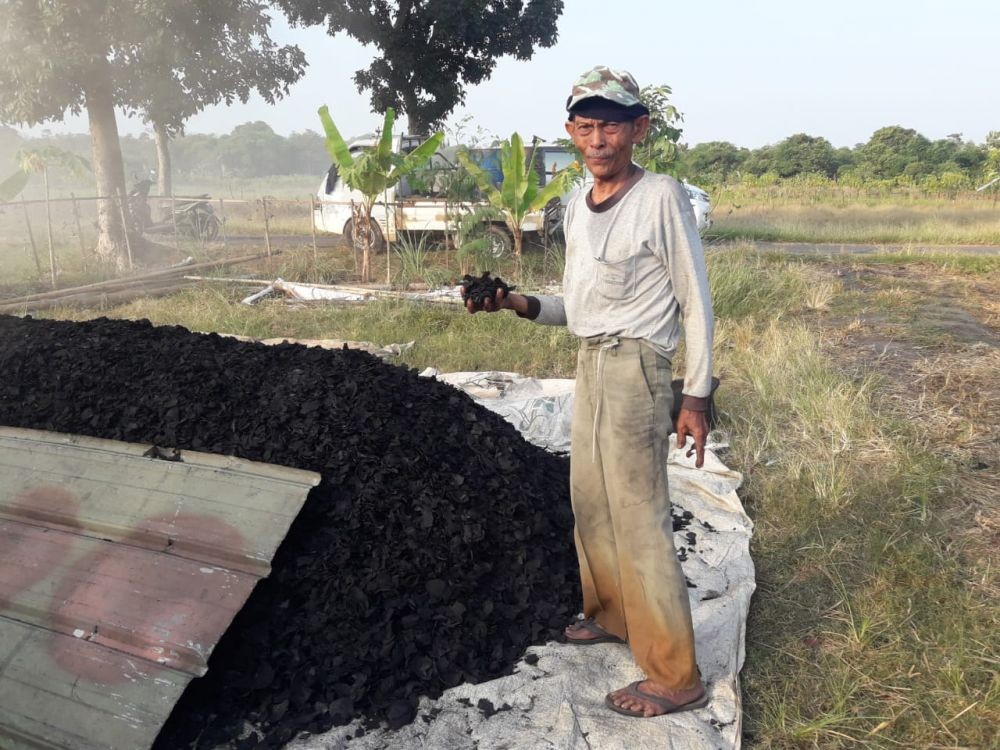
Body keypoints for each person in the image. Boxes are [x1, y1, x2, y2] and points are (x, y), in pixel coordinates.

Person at [464, 65, 714, 718]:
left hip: (639, 367)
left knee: (641, 516)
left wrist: (697, 395)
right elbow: (577, 308)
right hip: (592, 361)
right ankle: (610, 613)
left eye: (610, 124)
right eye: (585, 125)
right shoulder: (577, 203)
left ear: (638, 129)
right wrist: (512, 302)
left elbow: (696, 301)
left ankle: (675, 673)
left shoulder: (660, 196)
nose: (597, 137)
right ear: (571, 131)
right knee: (592, 501)